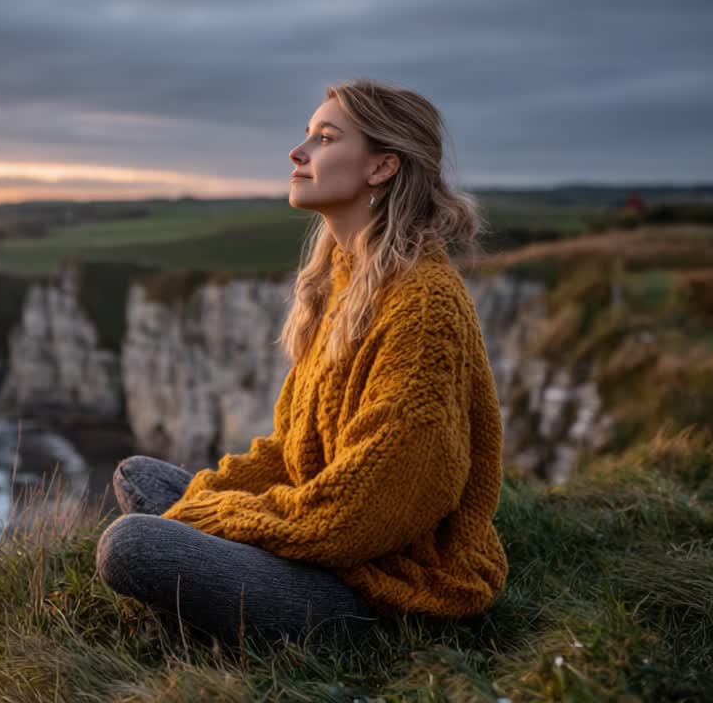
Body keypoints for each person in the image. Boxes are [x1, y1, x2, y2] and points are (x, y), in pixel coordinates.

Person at [94, 78, 510, 648]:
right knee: (138, 475)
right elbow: (290, 450)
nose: (299, 152)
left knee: (132, 546)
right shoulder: (347, 281)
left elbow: (361, 512)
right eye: (307, 135)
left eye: (325, 138)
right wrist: (212, 501)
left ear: (382, 168)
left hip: (385, 591)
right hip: (331, 543)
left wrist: (222, 517)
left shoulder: (422, 306)